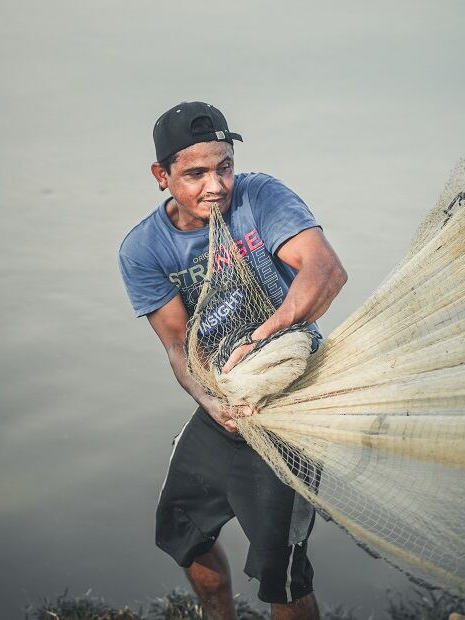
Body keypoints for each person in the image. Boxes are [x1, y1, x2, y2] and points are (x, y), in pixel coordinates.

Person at [118, 101, 347, 620]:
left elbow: (325, 271)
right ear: (161, 176)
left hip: (290, 407)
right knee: (183, 530)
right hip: (223, 402)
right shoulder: (144, 249)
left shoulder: (259, 196)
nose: (216, 185)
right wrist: (208, 399)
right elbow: (179, 346)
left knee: (280, 575)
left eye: (224, 167)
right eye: (196, 174)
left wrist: (265, 337)